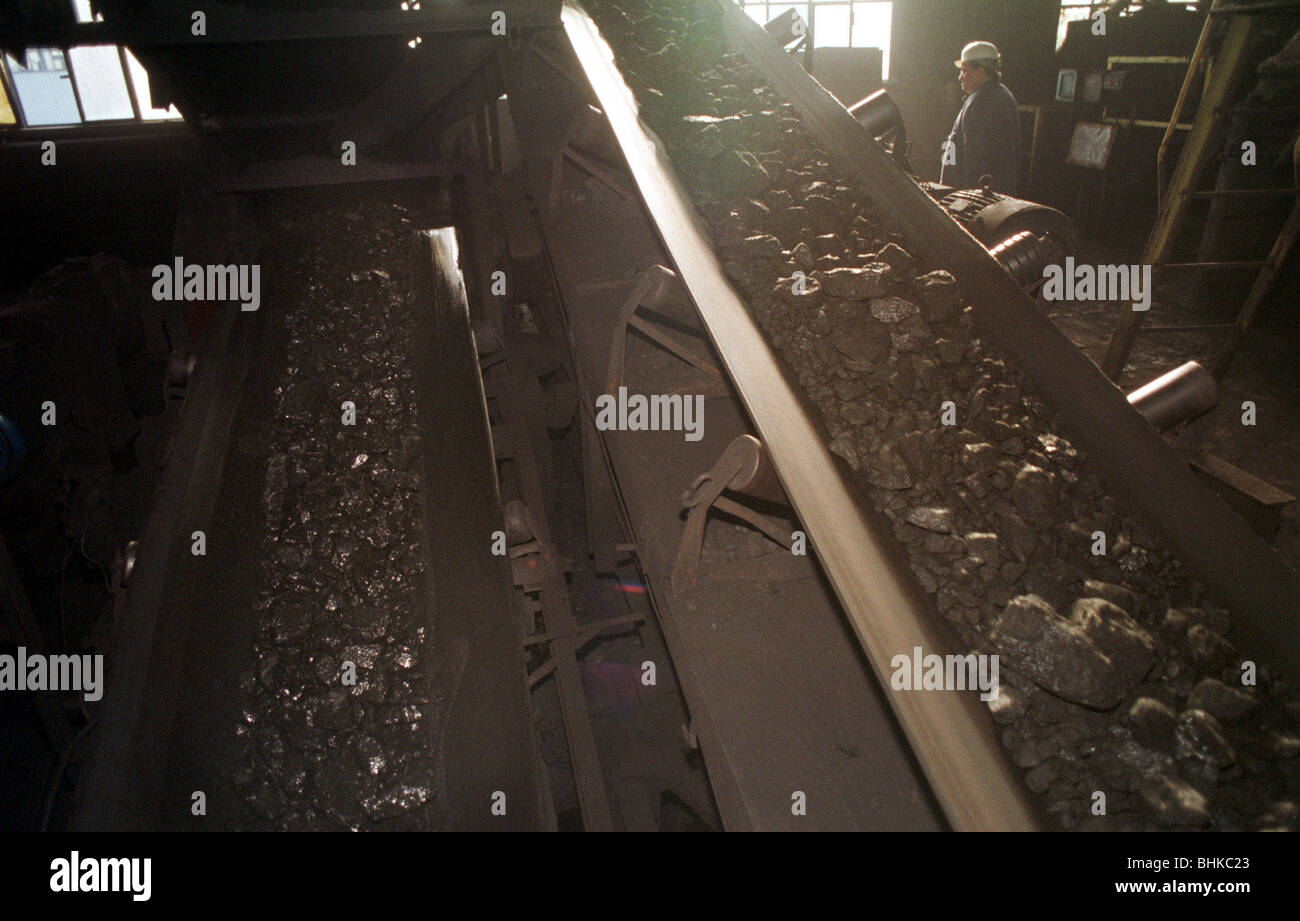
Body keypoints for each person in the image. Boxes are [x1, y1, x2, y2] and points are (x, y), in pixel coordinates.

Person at [940, 41, 1020, 195]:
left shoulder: (981, 102)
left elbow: (976, 161)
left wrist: (967, 199)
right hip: (997, 196)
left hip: (975, 199)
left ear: (981, 71)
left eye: (964, 71)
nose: (960, 77)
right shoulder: (1004, 95)